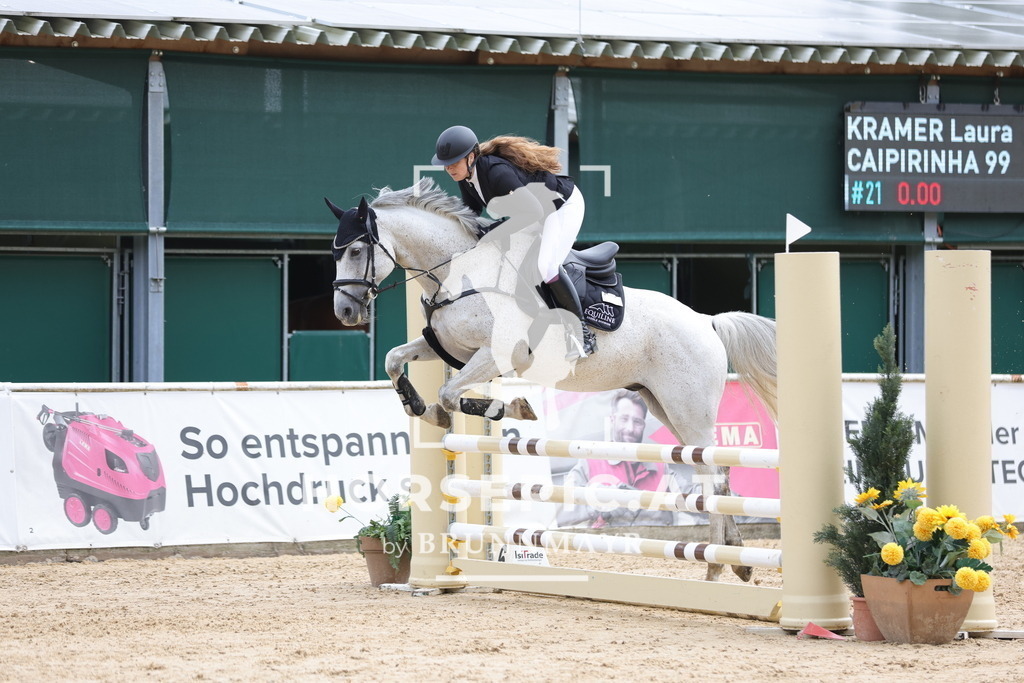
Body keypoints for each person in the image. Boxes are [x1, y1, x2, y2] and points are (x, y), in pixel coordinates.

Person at [431, 124, 595, 356]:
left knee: (545, 267)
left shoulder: (497, 173)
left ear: (471, 157)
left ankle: (582, 334)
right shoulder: (467, 178)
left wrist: (495, 231)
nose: (448, 168)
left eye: (454, 162)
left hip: (561, 208)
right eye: (445, 164)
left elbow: (534, 212)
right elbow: (471, 214)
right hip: (535, 213)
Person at [555, 390, 673, 528]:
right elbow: (563, 512)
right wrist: (602, 503)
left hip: (651, 545)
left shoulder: (661, 467)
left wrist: (637, 505)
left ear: (643, 425)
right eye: (624, 419)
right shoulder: (590, 462)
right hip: (602, 546)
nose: (630, 428)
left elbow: (674, 515)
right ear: (612, 419)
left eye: (637, 422)